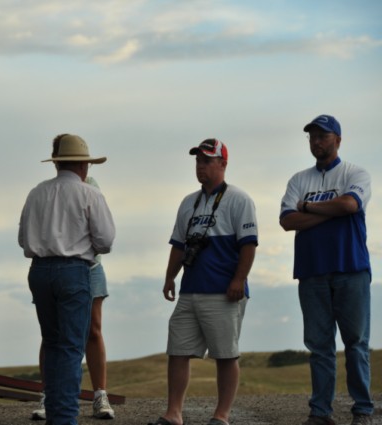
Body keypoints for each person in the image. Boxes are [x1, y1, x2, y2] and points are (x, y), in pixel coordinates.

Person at [149, 139, 258, 425]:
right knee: (178, 351)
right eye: (198, 161)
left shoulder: (239, 199)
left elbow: (248, 245)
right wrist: (170, 277)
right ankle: (173, 414)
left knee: (225, 355)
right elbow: (178, 245)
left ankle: (221, 415)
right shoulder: (188, 202)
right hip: (190, 289)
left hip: (224, 291)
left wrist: (239, 279)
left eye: (207, 161)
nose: (200, 166)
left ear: (223, 164)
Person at [279, 115, 374, 425]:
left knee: (356, 344)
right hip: (312, 272)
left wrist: (307, 207)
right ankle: (321, 413)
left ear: (338, 140)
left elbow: (350, 205)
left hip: (351, 269)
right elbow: (287, 221)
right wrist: (331, 211)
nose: (316, 141)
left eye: (323, 136)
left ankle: (362, 409)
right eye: (312, 136)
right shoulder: (298, 180)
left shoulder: (355, 173)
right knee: (319, 346)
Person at [19, 134, 115, 425]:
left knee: (52, 342)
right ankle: (64, 418)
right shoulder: (90, 193)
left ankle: (54, 410)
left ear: (57, 164)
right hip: (74, 270)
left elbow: (23, 239)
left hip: (39, 270)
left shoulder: (37, 192)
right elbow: (106, 240)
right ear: (84, 166)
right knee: (72, 347)